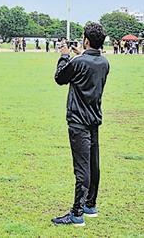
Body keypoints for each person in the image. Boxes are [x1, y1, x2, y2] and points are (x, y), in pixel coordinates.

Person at [52, 22, 110, 227]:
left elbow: (60, 77)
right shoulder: (104, 63)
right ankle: (90, 204)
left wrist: (65, 55)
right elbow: (89, 64)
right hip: (94, 119)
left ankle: (76, 213)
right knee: (93, 163)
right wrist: (81, 53)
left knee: (81, 168)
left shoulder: (78, 62)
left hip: (78, 121)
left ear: (86, 40)